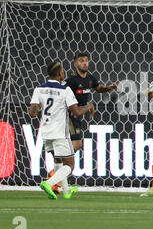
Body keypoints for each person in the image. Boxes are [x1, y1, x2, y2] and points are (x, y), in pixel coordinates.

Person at [48, 53, 117, 194]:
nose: (85, 63)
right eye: (81, 61)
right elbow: (61, 91)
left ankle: (56, 177)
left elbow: (99, 88)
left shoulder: (90, 79)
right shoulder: (72, 80)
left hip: (78, 116)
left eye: (86, 61)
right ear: (75, 64)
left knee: (68, 151)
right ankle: (53, 177)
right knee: (76, 146)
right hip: (69, 116)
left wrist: (110, 87)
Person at [29, 62, 94, 199]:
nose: (64, 73)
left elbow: (32, 113)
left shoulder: (39, 89)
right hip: (60, 133)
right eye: (63, 71)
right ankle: (49, 183)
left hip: (46, 133)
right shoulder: (65, 90)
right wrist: (89, 107)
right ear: (60, 74)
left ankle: (66, 192)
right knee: (70, 165)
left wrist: (41, 105)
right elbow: (76, 112)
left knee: (58, 160)